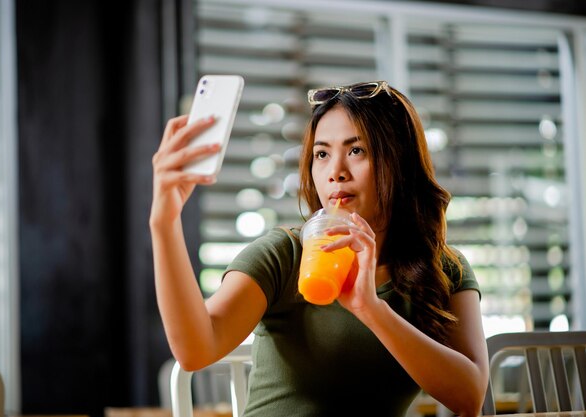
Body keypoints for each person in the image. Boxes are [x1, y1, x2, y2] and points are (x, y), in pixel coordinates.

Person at [150, 80, 489, 417]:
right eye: (322, 154)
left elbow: (469, 397)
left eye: (357, 151)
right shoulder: (284, 255)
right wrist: (164, 223)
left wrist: (371, 309)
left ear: (400, 163)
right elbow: (196, 350)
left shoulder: (444, 269)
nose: (335, 173)